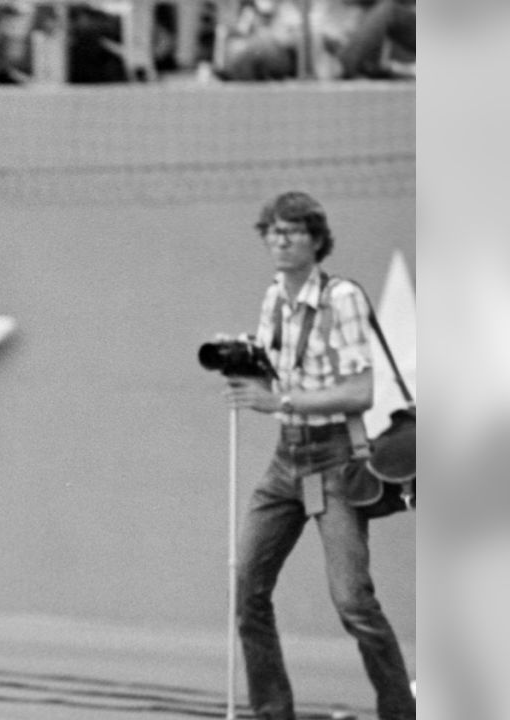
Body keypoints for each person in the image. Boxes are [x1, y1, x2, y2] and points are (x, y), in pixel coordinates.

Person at [221, 191, 415, 720]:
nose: (280, 240)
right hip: (287, 457)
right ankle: (271, 710)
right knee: (247, 589)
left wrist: (278, 399)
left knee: (353, 602)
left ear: (316, 239)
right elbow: (279, 373)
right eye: (272, 231)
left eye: (293, 231)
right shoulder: (273, 298)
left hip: (333, 458)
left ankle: (401, 711)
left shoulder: (341, 297)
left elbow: (360, 391)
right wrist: (243, 368)